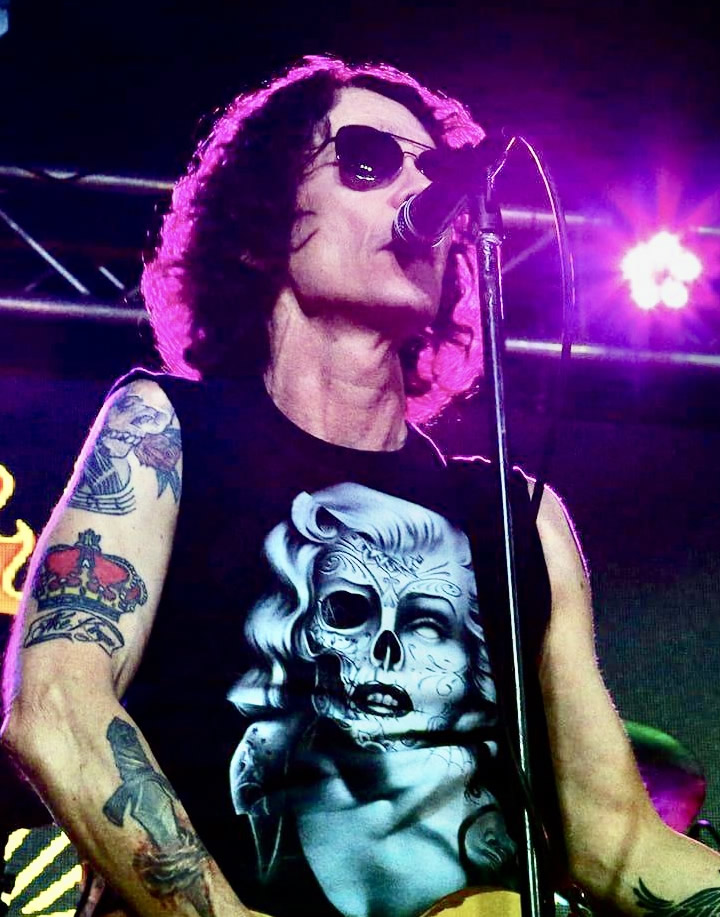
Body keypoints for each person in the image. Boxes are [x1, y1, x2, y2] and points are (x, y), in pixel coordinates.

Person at [2, 53, 720, 917]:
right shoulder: (167, 432)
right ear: (260, 224)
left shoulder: (518, 515)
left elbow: (616, 840)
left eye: (433, 171)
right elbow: (59, 707)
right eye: (368, 161)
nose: (420, 190)